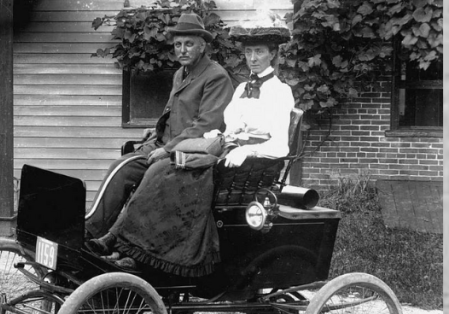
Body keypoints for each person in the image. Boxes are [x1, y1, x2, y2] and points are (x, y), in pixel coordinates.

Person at [87, 17, 295, 277]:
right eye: (249, 52)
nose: (253, 58)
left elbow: (280, 144)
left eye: (260, 52)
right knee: (162, 169)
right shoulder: (242, 88)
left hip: (244, 163)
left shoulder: (280, 92)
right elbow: (228, 127)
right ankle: (120, 243)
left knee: (161, 170)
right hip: (223, 149)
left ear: (272, 54)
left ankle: (131, 248)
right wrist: (216, 137)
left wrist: (246, 150)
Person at [83, 12, 235, 241]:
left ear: (202, 46)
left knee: (125, 168)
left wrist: (167, 149)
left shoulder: (216, 77)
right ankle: (93, 231)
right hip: (164, 143)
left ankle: (94, 231)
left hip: (187, 154)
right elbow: (173, 110)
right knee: (121, 167)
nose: (182, 50)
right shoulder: (181, 73)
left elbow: (206, 126)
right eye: (178, 44)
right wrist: (157, 130)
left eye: (189, 44)